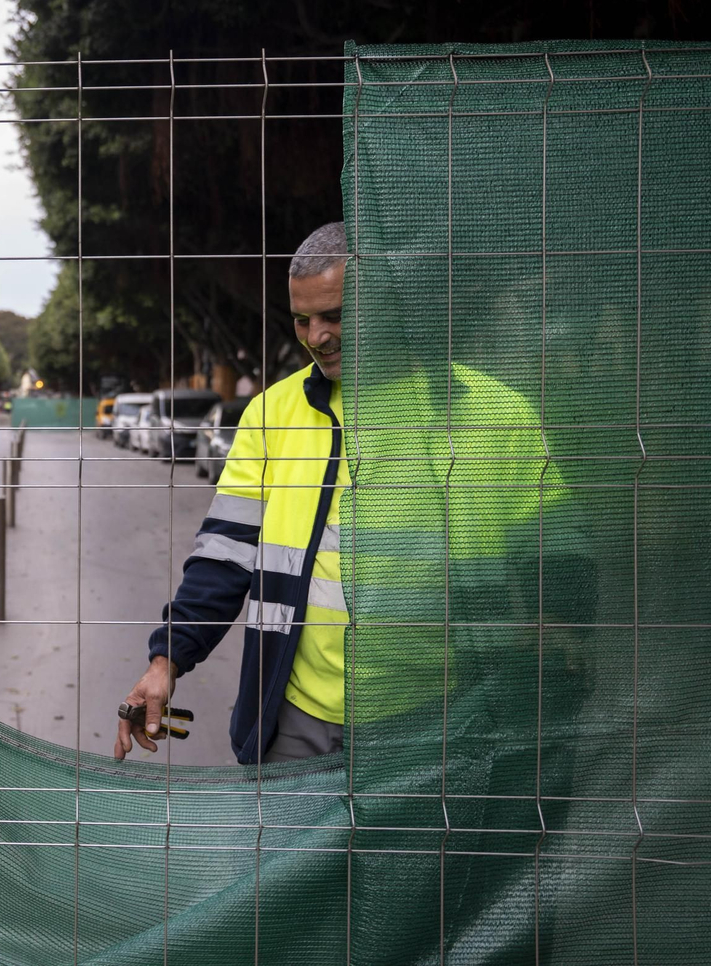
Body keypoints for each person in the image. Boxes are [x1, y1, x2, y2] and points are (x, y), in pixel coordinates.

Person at [115, 221, 562, 764]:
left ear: (385, 306)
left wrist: (567, 628)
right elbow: (224, 554)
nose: (316, 337)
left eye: (335, 316)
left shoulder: (496, 413)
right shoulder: (271, 413)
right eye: (302, 319)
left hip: (448, 717)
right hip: (297, 718)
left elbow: (559, 549)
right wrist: (167, 660)